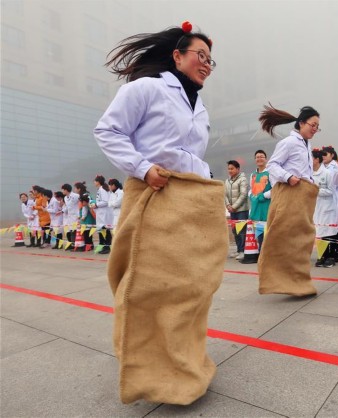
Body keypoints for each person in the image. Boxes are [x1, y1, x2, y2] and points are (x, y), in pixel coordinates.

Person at [94, 21, 227, 405]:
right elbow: (108, 131)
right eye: (199, 55)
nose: (206, 63)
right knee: (148, 285)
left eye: (210, 59)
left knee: (193, 286)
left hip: (190, 199)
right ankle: (148, 365)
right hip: (154, 190)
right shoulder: (147, 88)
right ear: (177, 56)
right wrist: (142, 167)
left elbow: (192, 154)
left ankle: (184, 360)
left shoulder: (199, 107)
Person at [257, 103, 321, 296]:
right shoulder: (289, 143)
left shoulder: (305, 144)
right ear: (301, 123)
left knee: (301, 241)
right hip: (290, 194)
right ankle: (278, 280)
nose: (315, 129)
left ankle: (298, 283)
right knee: (284, 238)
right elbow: (273, 165)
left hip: (303, 197)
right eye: (313, 125)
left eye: (317, 126)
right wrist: (288, 177)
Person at [312, 149, 338, 268]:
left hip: (328, 207)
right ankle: (322, 255)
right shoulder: (309, 173)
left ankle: (331, 256)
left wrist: (316, 190)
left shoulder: (327, 173)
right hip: (316, 207)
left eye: (310, 158)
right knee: (319, 233)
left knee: (329, 233)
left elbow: (331, 191)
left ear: (317, 160)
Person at [242, 150, 272, 264]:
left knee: (267, 233)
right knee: (259, 233)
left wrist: (263, 196)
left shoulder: (270, 173)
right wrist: (251, 196)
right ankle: (261, 254)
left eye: (262, 157)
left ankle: (269, 256)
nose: (259, 159)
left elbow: (275, 189)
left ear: (266, 159)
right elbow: (251, 188)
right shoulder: (253, 174)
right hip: (255, 207)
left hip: (266, 206)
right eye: (257, 157)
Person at [224, 160, 249, 260]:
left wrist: (234, 206)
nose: (230, 170)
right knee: (235, 231)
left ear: (238, 169)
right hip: (232, 210)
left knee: (242, 231)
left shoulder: (243, 179)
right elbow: (224, 194)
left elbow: (243, 195)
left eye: (232, 168)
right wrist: (228, 205)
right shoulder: (227, 181)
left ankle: (243, 251)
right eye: (229, 169)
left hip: (241, 210)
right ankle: (239, 250)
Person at [92, 175, 114, 254]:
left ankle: (107, 247)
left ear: (98, 182)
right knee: (102, 229)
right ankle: (104, 246)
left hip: (104, 213)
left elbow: (105, 201)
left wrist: (96, 205)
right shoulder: (101, 189)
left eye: (95, 181)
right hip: (101, 213)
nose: (94, 182)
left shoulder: (103, 190)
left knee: (105, 229)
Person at [61, 183, 80, 251]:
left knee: (75, 231)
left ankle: (76, 245)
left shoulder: (76, 195)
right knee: (71, 231)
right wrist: (62, 211)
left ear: (66, 190)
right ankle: (72, 245)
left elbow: (81, 203)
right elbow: (68, 207)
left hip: (76, 216)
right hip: (70, 216)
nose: (62, 191)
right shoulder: (65, 198)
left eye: (63, 190)